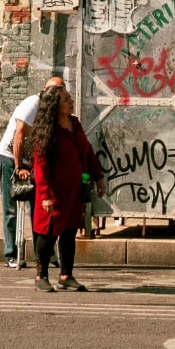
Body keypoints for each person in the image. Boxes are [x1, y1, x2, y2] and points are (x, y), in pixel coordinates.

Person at [26, 81, 102, 293]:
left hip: (74, 191)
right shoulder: (47, 130)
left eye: (69, 98)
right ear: (55, 106)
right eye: (66, 99)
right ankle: (40, 276)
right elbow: (41, 166)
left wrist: (98, 177)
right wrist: (45, 195)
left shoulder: (74, 124)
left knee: (69, 233)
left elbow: (87, 151)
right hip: (53, 193)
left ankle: (66, 275)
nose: (70, 101)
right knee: (48, 234)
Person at [0, 74, 63, 269]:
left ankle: (43, 253)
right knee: (11, 207)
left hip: (31, 161)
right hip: (11, 157)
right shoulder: (32, 104)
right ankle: (11, 253)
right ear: (45, 90)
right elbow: (19, 135)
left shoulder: (52, 110)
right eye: (55, 91)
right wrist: (19, 167)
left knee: (38, 208)